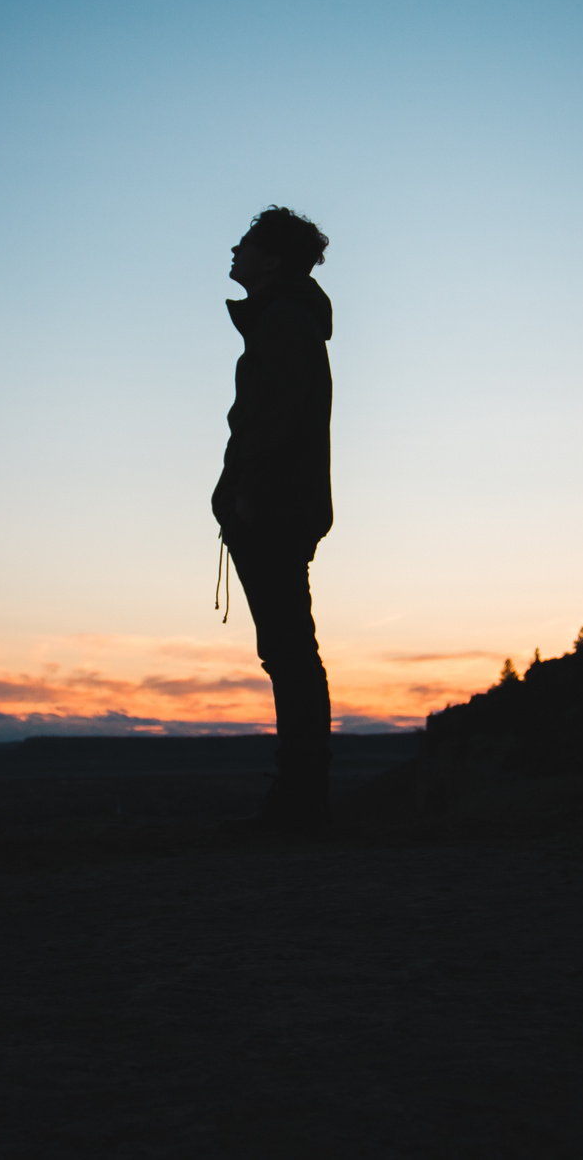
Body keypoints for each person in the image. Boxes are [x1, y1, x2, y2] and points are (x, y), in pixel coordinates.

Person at [212, 206, 334, 834]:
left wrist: (248, 496)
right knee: (288, 651)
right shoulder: (285, 320)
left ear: (272, 260)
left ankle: (301, 800)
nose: (233, 250)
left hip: (275, 509)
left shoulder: (285, 321)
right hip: (278, 505)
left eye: (247, 244)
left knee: (289, 653)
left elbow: (275, 420)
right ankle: (302, 794)